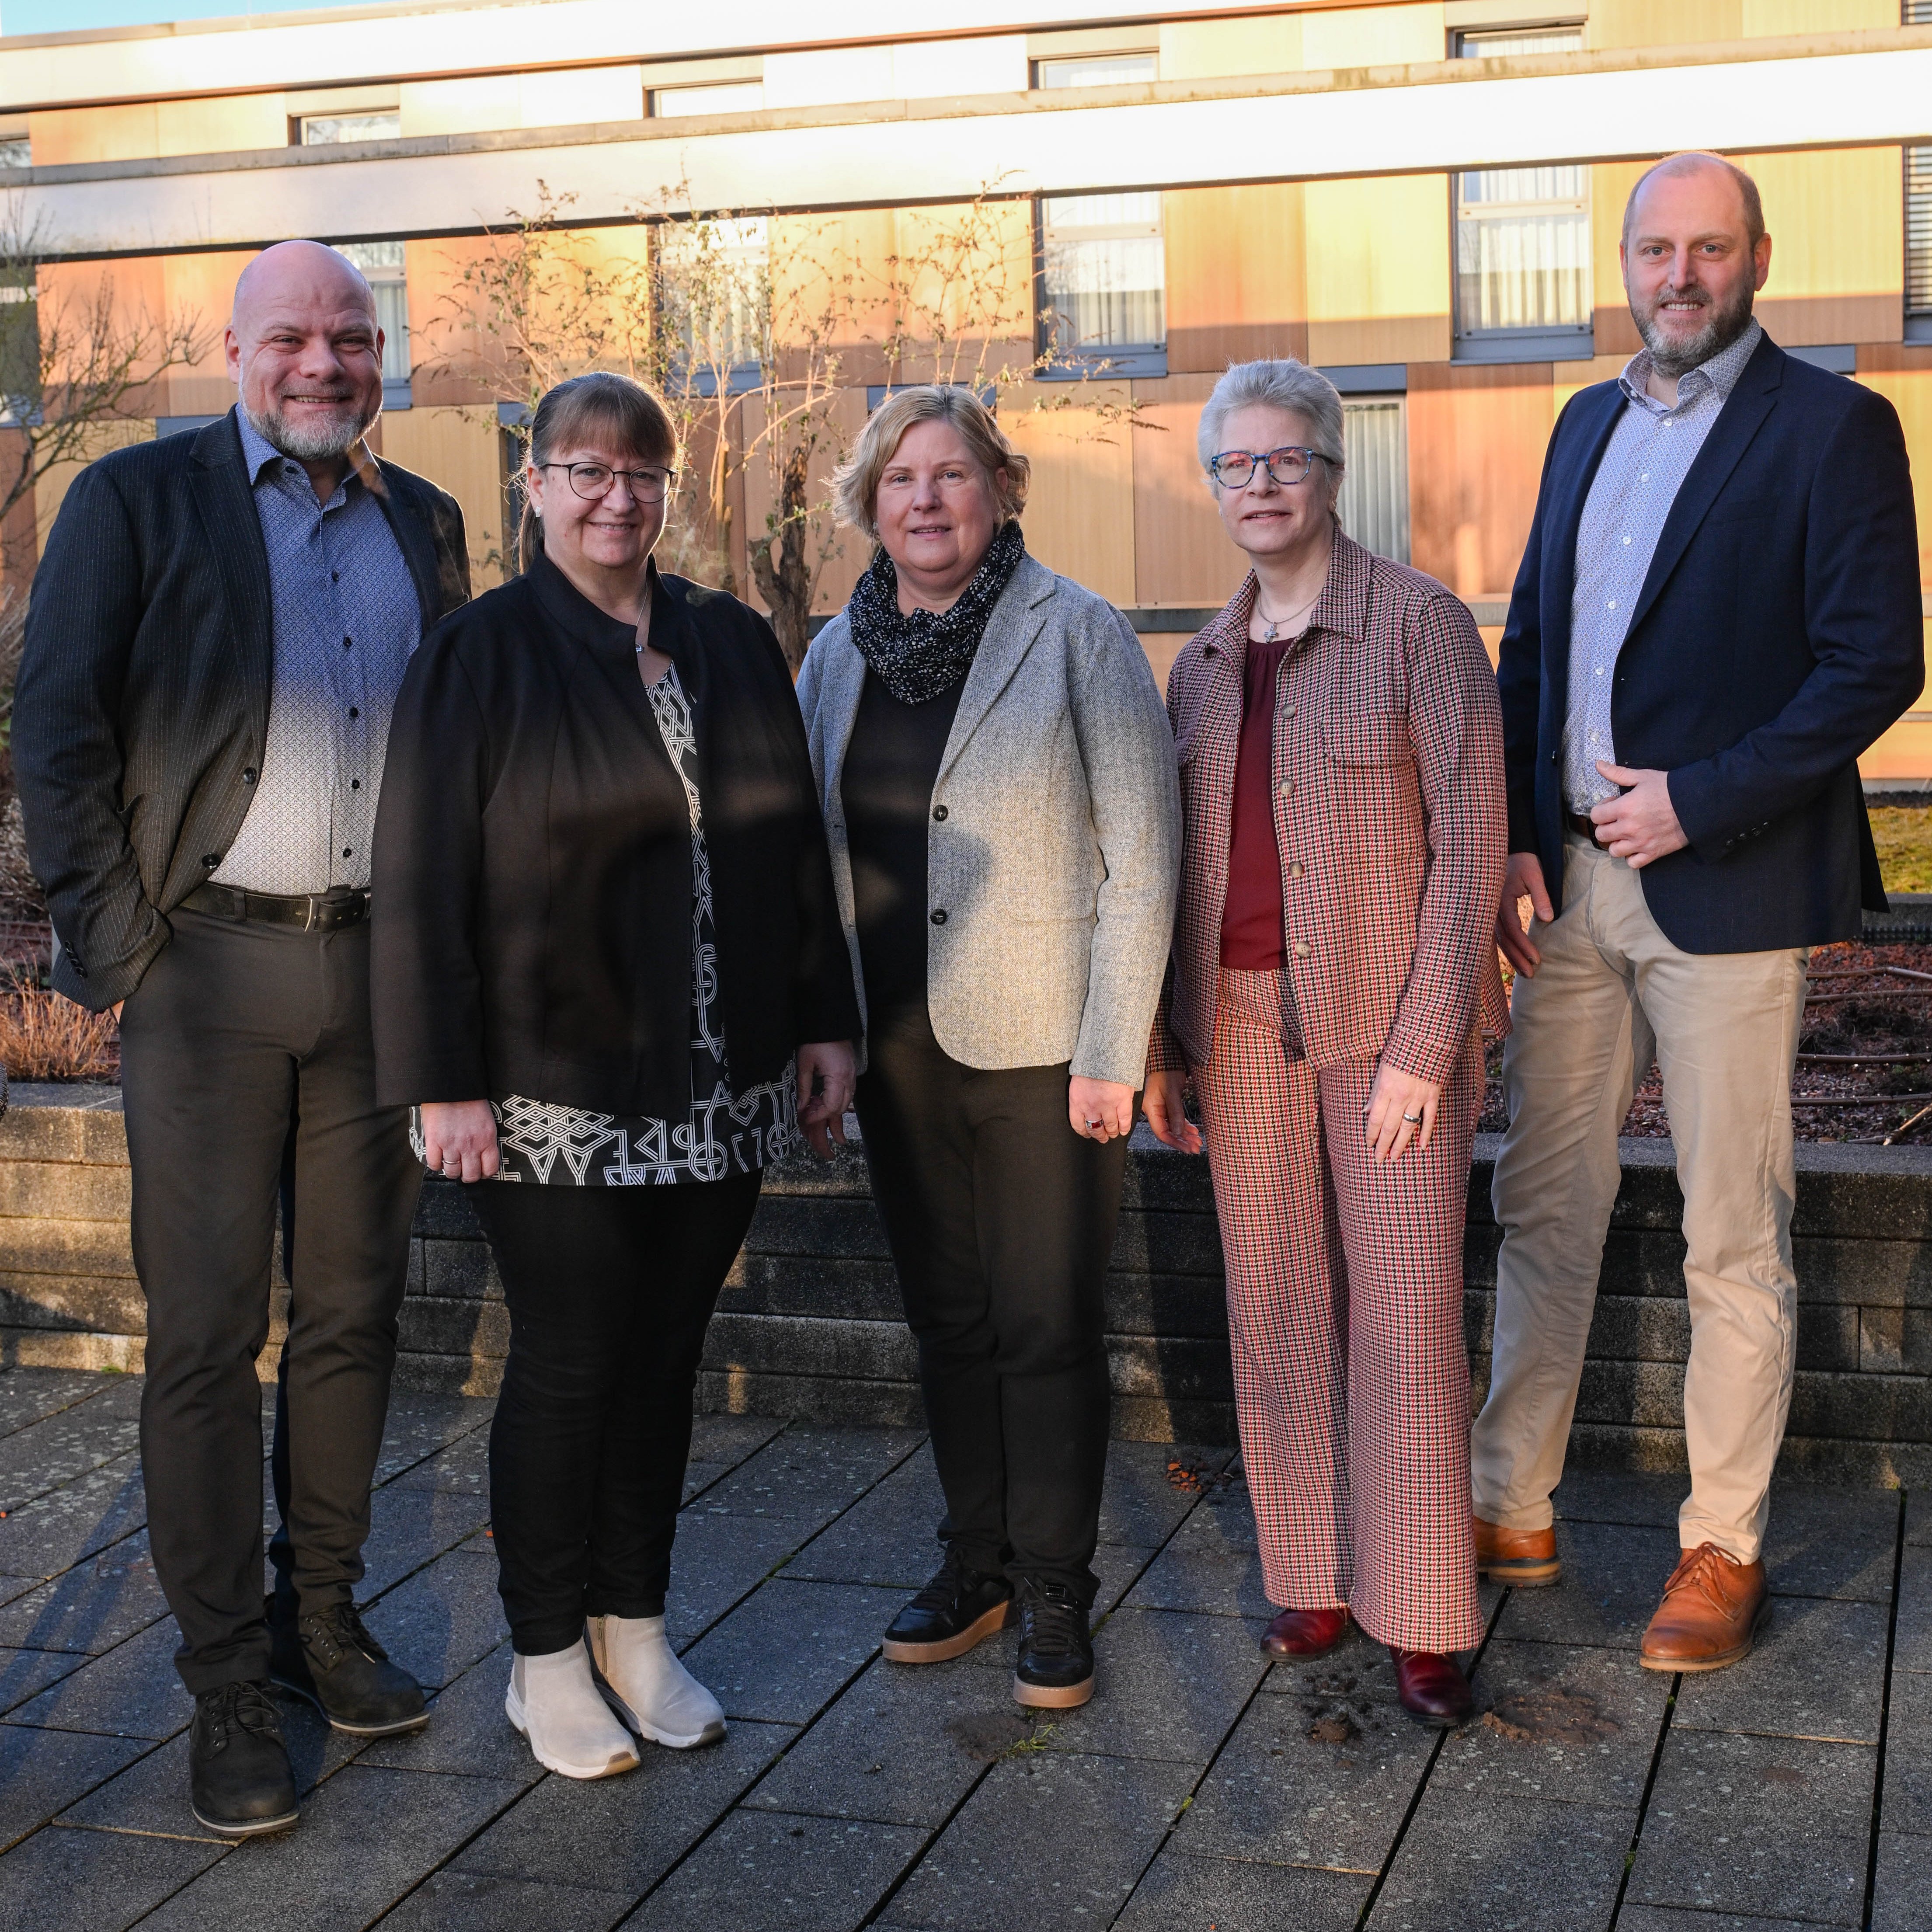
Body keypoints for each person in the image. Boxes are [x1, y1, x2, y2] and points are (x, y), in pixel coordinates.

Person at [11, 242, 470, 1836]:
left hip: (375, 983)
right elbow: (55, 726)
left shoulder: (427, 521)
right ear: (234, 349)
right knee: (208, 1336)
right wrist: (118, 943)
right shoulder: (135, 502)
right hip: (202, 977)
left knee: (354, 1317)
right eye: (295, 334)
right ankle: (221, 1681)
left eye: (353, 334)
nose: (326, 361)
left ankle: (318, 1619)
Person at [371, 372, 859, 1779]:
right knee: (574, 1359)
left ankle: (633, 1628)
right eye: (583, 470)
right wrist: (442, 1078)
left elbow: (788, 832)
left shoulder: (726, 640)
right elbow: (421, 874)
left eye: (638, 472)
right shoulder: (481, 653)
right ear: (534, 486)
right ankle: (541, 1658)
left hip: (723, 1084)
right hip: (548, 1085)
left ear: (667, 487)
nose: (613, 496)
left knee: (662, 1360)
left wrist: (822, 1017)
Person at [1472, 153, 1924, 1672]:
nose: (1679, 275)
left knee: (1732, 1232)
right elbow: (1532, 639)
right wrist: (1520, 837)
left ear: (1756, 260)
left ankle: (1718, 1544)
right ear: (1623, 263)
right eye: (1654, 249)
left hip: (1725, 884)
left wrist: (1697, 796)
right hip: (1573, 887)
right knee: (1543, 1201)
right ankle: (1504, 1498)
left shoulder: (1835, 428)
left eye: (1707, 249)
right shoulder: (1581, 421)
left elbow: (1872, 665)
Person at [795, 386, 1179, 1710]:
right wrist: (826, 1031)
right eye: (899, 479)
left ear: (1000, 489)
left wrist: (1111, 1047)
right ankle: (980, 1561)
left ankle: (1058, 1584)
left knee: (1044, 1324)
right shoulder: (831, 655)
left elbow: (1144, 857)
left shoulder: (1076, 633)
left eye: (951, 475)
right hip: (895, 1047)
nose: (924, 500)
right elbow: (814, 865)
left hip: (1043, 1050)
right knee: (948, 1322)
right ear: (868, 503)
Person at [1141, 359, 1507, 1724]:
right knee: (1276, 1305)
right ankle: (1312, 1569)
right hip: (1234, 1028)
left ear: (1330, 472)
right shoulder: (1199, 662)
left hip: (1384, 1027)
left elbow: (1471, 840)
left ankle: (1420, 1606)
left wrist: (1425, 1045)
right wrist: (1168, 1043)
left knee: (1405, 1313)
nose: (1256, 485)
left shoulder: (1418, 626)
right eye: (1232, 465)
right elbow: (1176, 868)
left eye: (1282, 460)